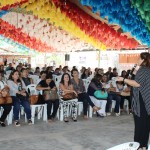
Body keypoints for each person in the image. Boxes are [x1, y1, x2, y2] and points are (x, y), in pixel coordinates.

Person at [116, 52, 150, 150]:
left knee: (140, 124)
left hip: (142, 101)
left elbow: (137, 84)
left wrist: (123, 79)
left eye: (139, 58)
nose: (137, 60)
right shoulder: (145, 70)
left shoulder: (144, 69)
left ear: (143, 60)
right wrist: (134, 74)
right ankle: (143, 145)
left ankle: (139, 146)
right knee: (145, 124)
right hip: (145, 100)